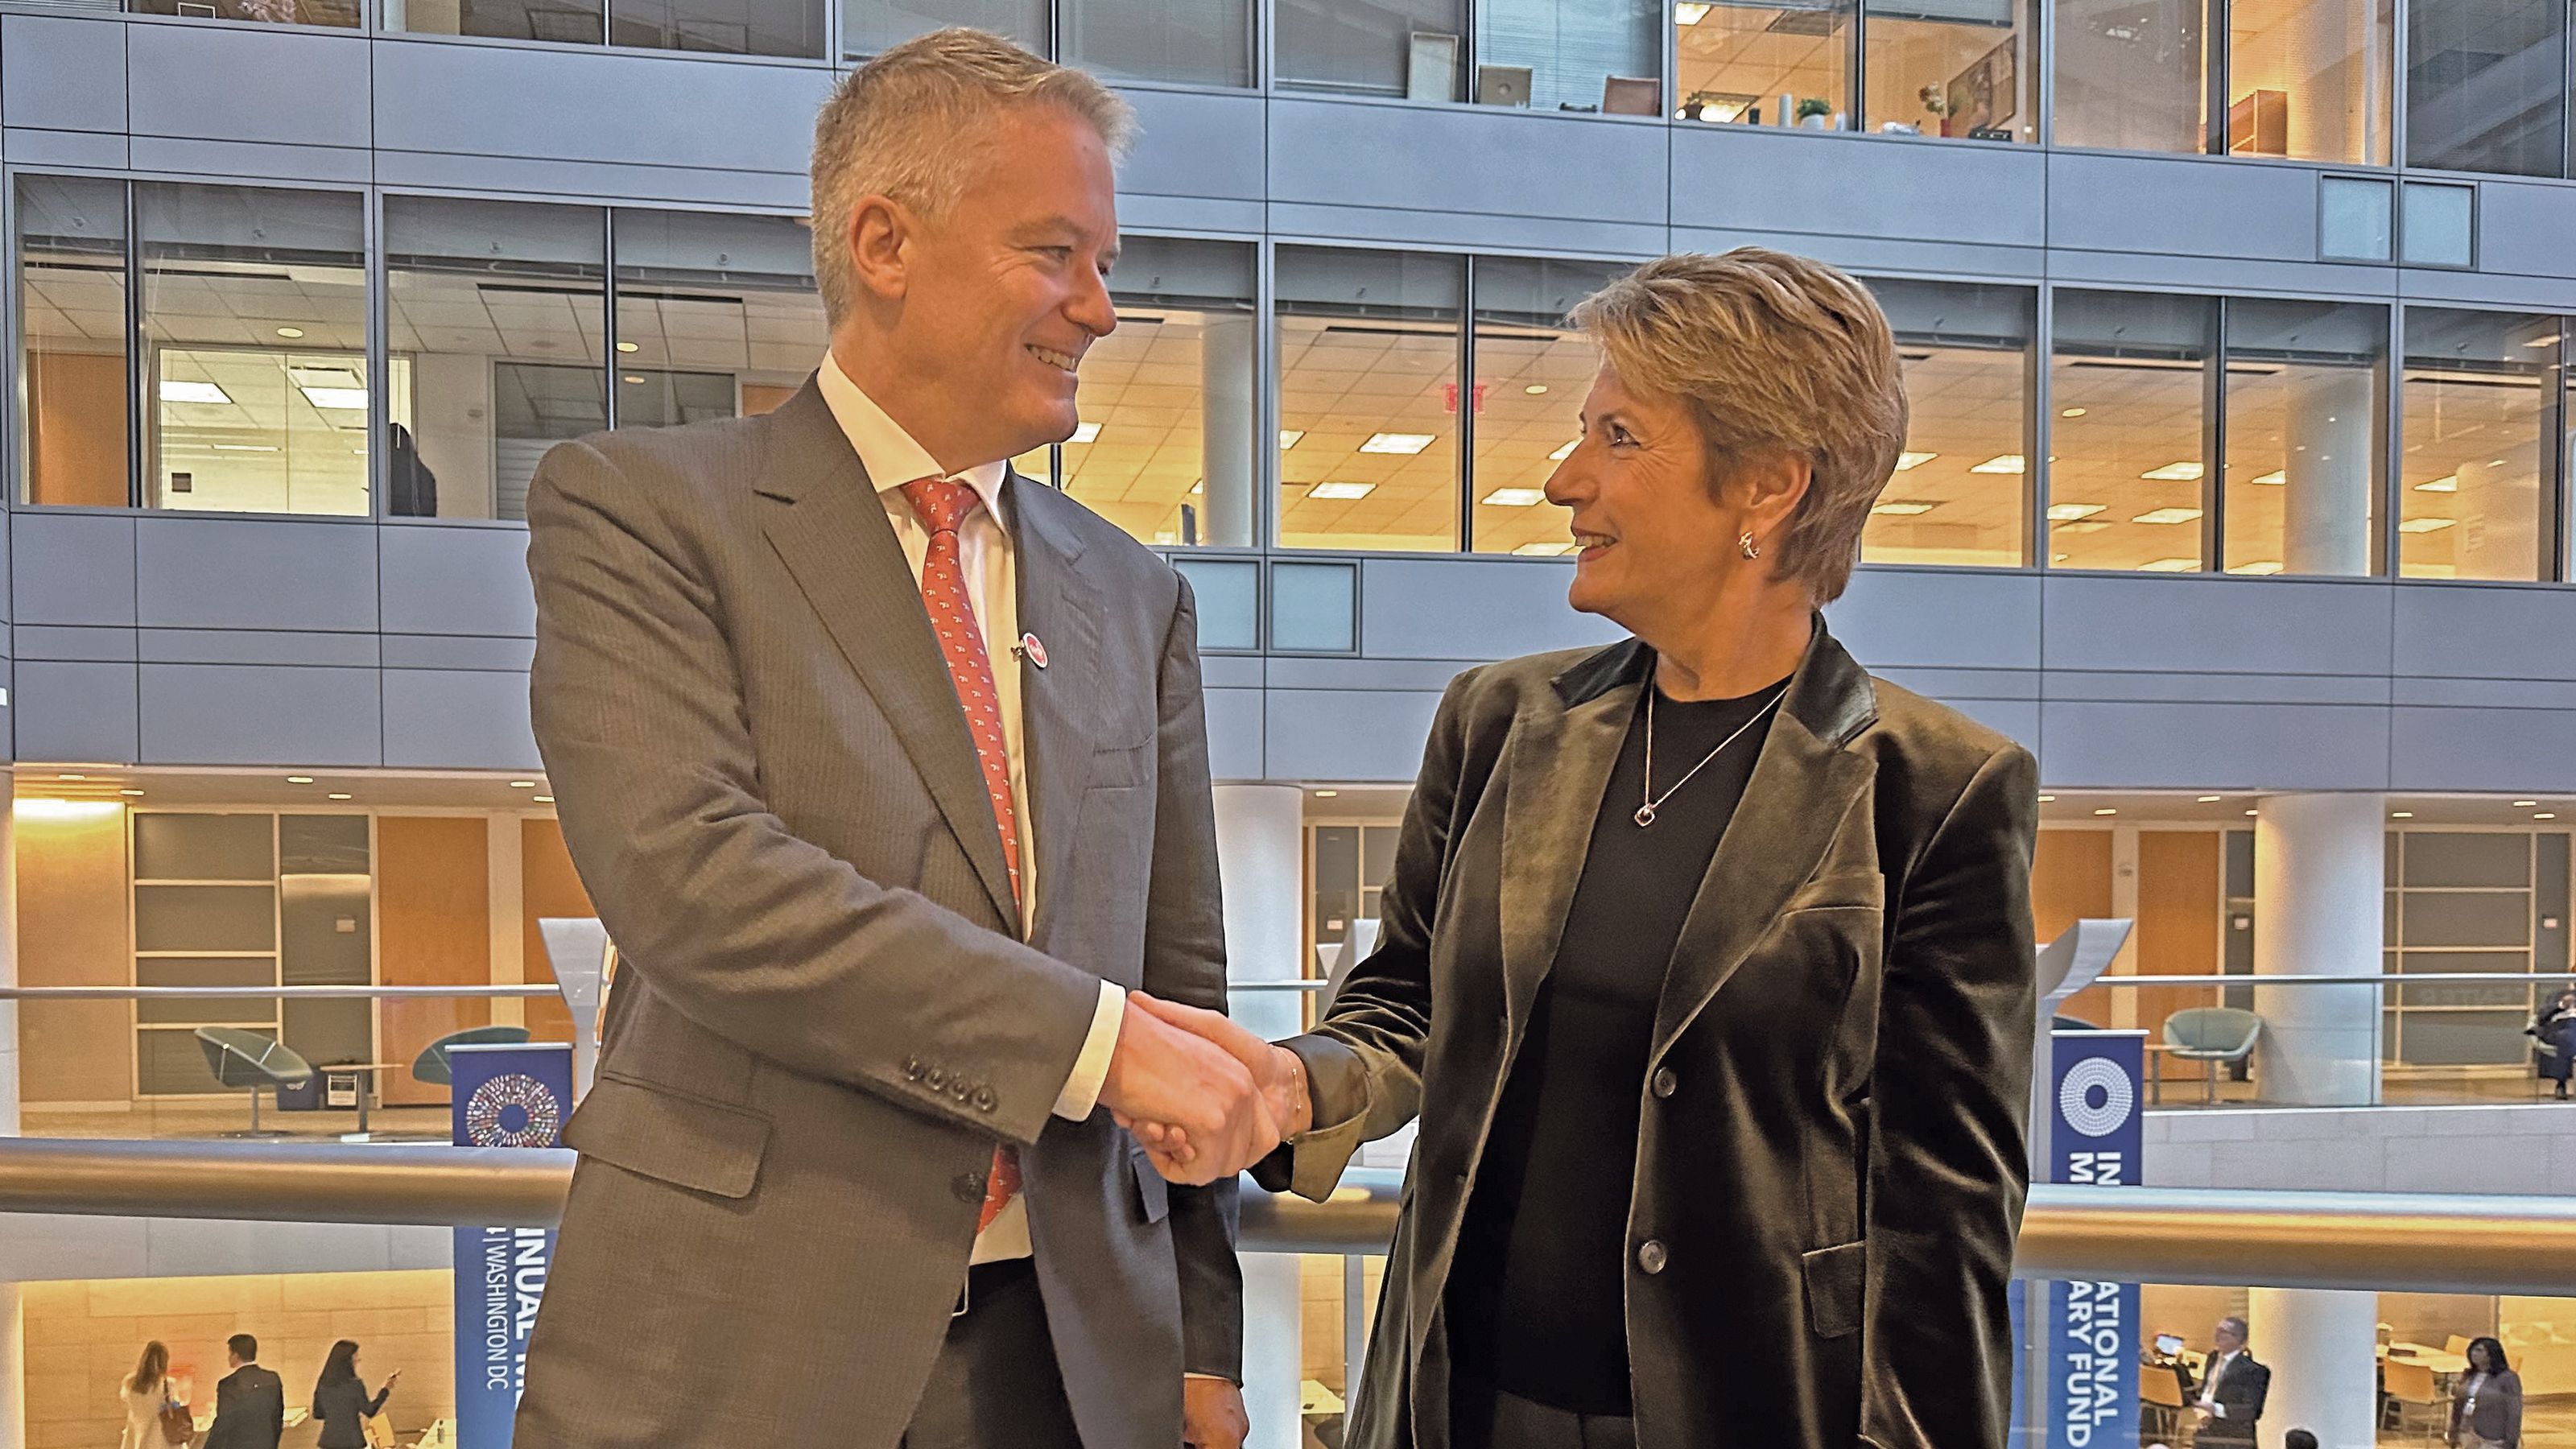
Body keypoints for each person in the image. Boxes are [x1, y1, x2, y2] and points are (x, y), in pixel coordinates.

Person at [1125, 250, 2040, 1448]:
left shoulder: (1937, 790)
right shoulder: (1500, 723)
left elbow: (1946, 1221)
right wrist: (1293, 1087)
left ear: (1767, 484)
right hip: (1457, 1405)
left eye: (1618, 437)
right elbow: (1408, 1003)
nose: (1565, 480)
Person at [511, 27, 1265, 1449]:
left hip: (1073, 1362)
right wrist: (1094, 1046)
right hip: (737, 1352)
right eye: (1056, 254)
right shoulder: (640, 511)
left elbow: (1178, 974)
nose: (1100, 308)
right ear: (884, 243)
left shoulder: (1135, 592)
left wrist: (1201, 1342)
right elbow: (697, 887)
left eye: (1105, 262)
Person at [2180, 1316, 2269, 1449]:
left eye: (2224, 1332)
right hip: (2206, 1431)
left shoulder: (2254, 1371)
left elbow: (2251, 1411)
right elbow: (2209, 1388)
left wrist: (2215, 1409)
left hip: (2233, 1438)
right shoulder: (2212, 1358)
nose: (2218, 1335)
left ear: (2239, 1339)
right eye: (2218, 1330)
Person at [310, 1340, 394, 1449]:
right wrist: (385, 1390)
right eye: (356, 1355)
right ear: (348, 1360)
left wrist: (337, 1413)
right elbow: (369, 1411)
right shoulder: (355, 1385)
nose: (358, 1359)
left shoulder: (323, 1384)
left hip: (328, 1441)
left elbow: (318, 1414)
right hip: (352, 1441)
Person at [204, 1334, 284, 1449]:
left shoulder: (229, 1384)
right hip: (267, 1443)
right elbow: (277, 1417)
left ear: (235, 1355)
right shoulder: (272, 1379)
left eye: (230, 1353)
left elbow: (223, 1423)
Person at [2450, 1335, 2522, 1449]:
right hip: (2468, 1431)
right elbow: (2458, 1404)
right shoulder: (2469, 1375)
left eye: (2479, 1350)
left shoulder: (2508, 1378)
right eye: (2472, 1350)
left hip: (2494, 1436)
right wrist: (2454, 1431)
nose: (2474, 1353)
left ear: (2491, 1354)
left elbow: (2514, 1412)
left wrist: (2511, 1440)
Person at [116, 1340, 179, 1449]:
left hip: (135, 1436)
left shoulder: (130, 1383)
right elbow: (174, 1410)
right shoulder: (168, 1385)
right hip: (160, 1440)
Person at [2528, 988, 2576, 1099]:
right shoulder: (2560, 995)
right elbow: (2541, 1016)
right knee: (2568, 1036)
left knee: (2569, 1037)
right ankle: (2561, 1083)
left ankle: (2560, 1084)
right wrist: (2561, 1004)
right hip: (2560, 1027)